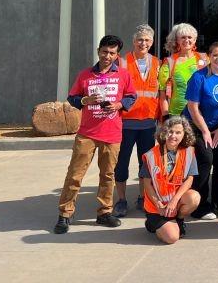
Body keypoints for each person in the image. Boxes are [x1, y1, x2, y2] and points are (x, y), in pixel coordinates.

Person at [54, 35, 137, 234]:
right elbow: (72, 98)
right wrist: (85, 100)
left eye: (112, 53)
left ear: (117, 55)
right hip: (87, 134)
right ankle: (65, 214)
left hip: (112, 133)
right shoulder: (85, 75)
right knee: (75, 174)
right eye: (104, 51)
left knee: (107, 175)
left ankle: (104, 212)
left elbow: (132, 96)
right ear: (98, 50)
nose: (107, 56)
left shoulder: (123, 75)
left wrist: (118, 105)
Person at [185, 41, 218, 219]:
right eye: (215, 55)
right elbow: (193, 107)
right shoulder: (199, 77)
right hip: (198, 123)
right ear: (209, 56)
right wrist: (206, 131)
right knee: (206, 160)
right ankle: (200, 205)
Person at [113, 24, 161, 218]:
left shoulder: (158, 63)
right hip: (126, 122)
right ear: (133, 42)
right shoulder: (123, 62)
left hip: (148, 123)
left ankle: (143, 197)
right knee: (122, 163)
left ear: (152, 42)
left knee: (146, 163)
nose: (143, 43)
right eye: (140, 40)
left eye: (147, 40)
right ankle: (121, 200)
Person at [140, 116, 200, 244]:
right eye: (170, 131)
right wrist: (158, 204)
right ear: (163, 132)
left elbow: (189, 179)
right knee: (171, 238)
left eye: (178, 132)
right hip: (157, 206)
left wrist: (174, 201)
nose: (173, 136)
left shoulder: (188, 152)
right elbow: (146, 183)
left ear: (184, 134)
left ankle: (178, 219)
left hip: (174, 202)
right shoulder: (151, 154)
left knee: (194, 197)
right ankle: (152, 224)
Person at [158, 23, 208, 117]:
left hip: (200, 113)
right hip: (176, 114)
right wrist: (165, 115)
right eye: (183, 37)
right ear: (177, 40)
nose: (187, 40)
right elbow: (163, 93)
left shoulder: (204, 59)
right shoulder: (170, 62)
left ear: (195, 40)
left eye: (190, 37)